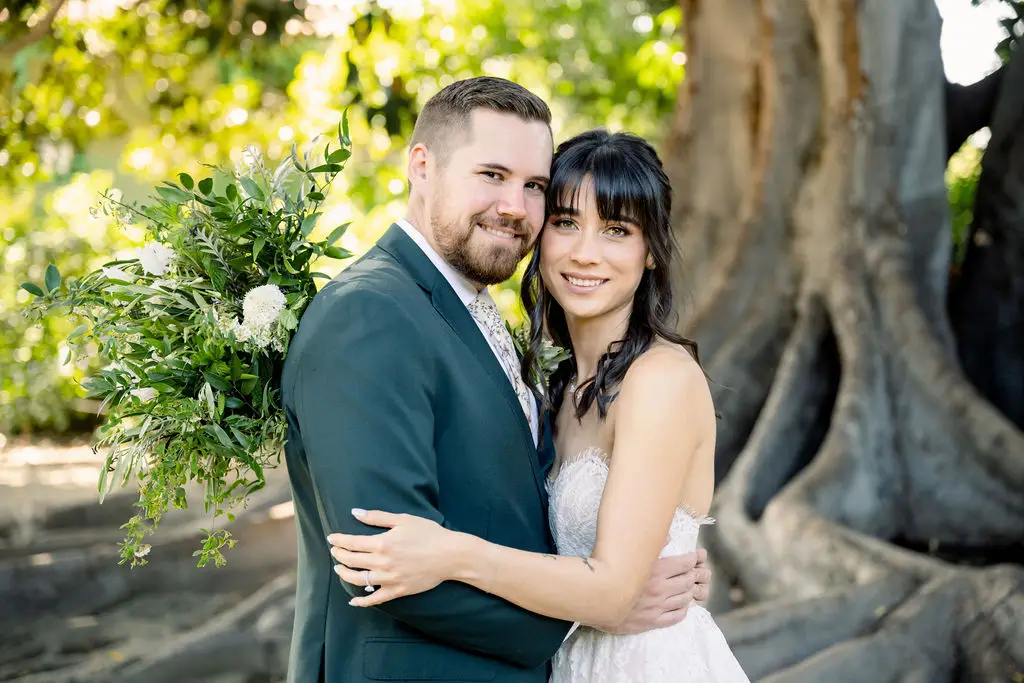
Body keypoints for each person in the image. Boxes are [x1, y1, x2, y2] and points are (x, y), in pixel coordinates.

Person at [281, 78, 711, 683]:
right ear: (422, 167)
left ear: (652, 251)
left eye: (534, 186)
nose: (514, 205)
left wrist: (650, 563)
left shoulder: (494, 328)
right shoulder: (371, 313)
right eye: (492, 175)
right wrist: (587, 612)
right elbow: (382, 557)